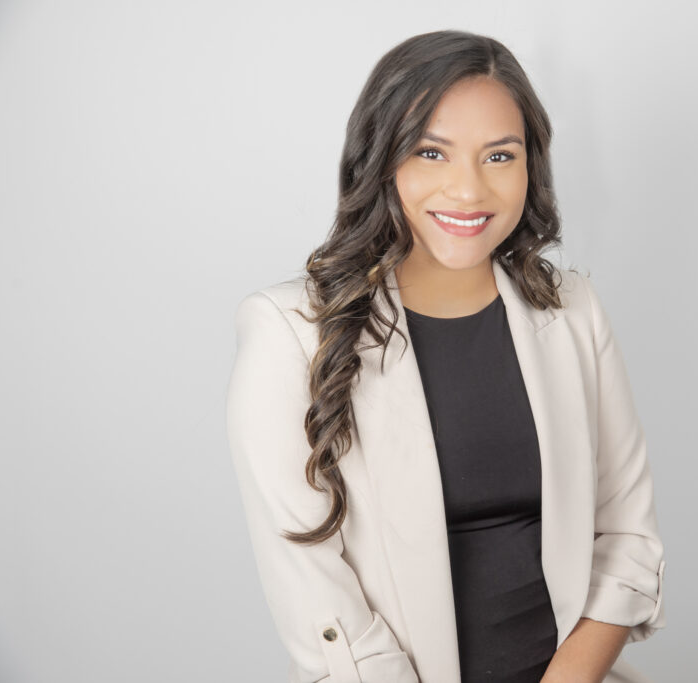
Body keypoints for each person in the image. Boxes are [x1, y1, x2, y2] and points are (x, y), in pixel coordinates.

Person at [226, 29, 666, 683]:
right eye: (432, 151)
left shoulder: (573, 310)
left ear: (529, 166)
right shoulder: (289, 332)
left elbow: (628, 537)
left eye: (499, 155)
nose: (468, 190)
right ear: (381, 159)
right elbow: (319, 604)